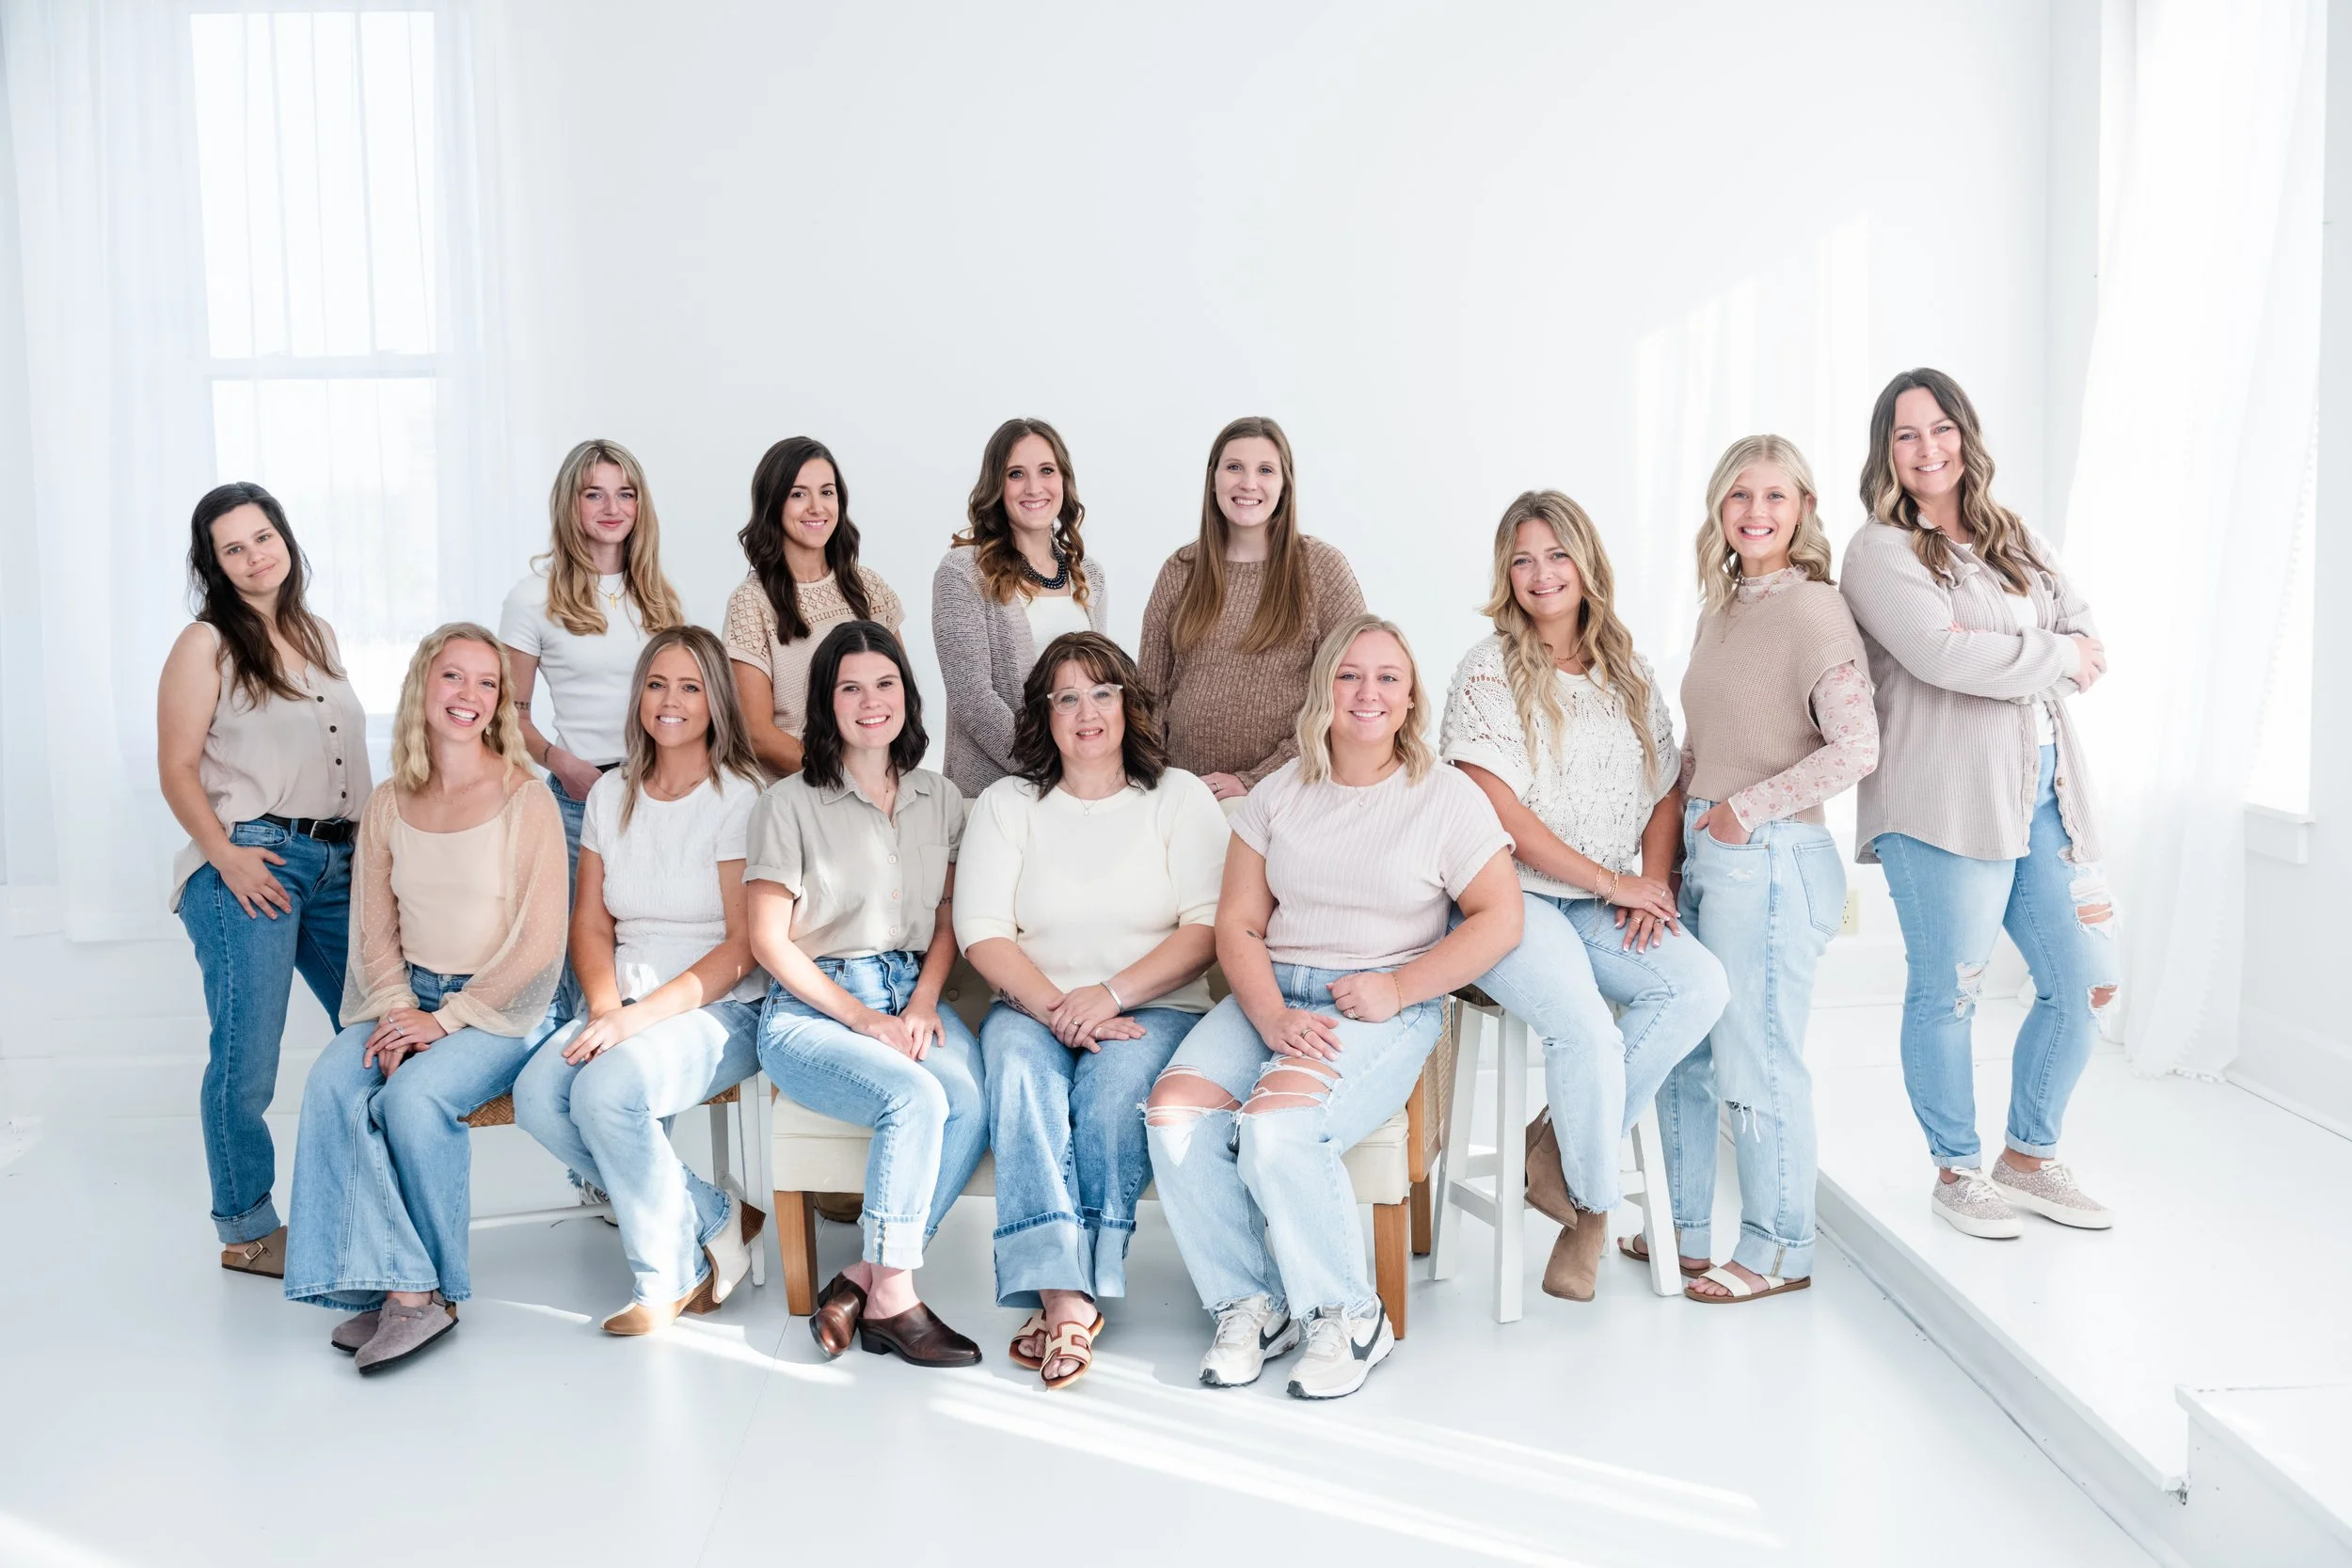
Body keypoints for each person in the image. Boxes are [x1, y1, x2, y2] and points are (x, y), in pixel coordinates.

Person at [1144, 615, 1521, 1399]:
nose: (1368, 692)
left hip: (1382, 1004)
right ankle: (1254, 1301)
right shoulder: (1279, 795)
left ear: (1411, 695)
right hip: (1275, 993)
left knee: (1279, 1129)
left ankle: (1351, 1316)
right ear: (1324, 689)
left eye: (1388, 676)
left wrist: (1400, 987)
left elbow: (1500, 918)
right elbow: (1239, 924)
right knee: (1174, 1114)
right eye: (1350, 674)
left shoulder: (1445, 796)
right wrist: (1273, 1015)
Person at [1841, 368, 2119, 1239]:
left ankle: (2028, 1158)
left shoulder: (2012, 534)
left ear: (1965, 432)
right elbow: (1939, 656)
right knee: (1951, 989)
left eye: (1940, 428)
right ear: (1887, 451)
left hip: (2044, 787)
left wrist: (2031, 646)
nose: (1928, 448)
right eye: (1906, 435)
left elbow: (2090, 636)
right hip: (1942, 798)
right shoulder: (1880, 550)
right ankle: (1956, 1169)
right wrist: (2052, 652)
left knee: (2089, 981)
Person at [1439, 490, 1727, 1303]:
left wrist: (1654, 888)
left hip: (1604, 899)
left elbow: (1667, 788)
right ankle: (1593, 1211)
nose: (1541, 573)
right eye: (1523, 558)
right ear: (1506, 573)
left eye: (1557, 554)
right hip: (1509, 899)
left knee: (1700, 984)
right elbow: (1496, 810)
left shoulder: (1628, 673)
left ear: (1586, 563)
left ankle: (1556, 1144)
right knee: (1588, 1036)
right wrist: (1611, 880)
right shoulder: (1486, 669)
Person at [283, 625, 569, 1372]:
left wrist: (441, 1023)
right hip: (407, 998)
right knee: (333, 1082)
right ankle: (391, 1286)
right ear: (424, 686)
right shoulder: (388, 802)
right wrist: (399, 1013)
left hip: (503, 1009)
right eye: (454, 677)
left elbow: (540, 945)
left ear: (501, 701)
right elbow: (372, 931)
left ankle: (424, 1297)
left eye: (486, 682)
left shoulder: (525, 799)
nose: (469, 696)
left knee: (412, 1101)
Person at [956, 631, 1226, 1388]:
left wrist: (1106, 997)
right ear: (1044, 715)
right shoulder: (1010, 805)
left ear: (1129, 703)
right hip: (1030, 1008)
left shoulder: (1178, 796)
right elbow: (980, 930)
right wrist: (1059, 1009)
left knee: (1112, 1091)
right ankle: (1063, 1293)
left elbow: (1206, 928)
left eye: (1102, 692)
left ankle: (1085, 1274)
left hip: (1153, 1006)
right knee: (1016, 1072)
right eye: (1067, 696)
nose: (1087, 711)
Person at [511, 626, 771, 1335]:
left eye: (690, 686)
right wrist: (606, 1006)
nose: (670, 700)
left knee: (604, 1090)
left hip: (718, 1006)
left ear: (716, 701)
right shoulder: (612, 792)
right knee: (538, 1094)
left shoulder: (738, 797)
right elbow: (591, 924)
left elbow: (743, 947)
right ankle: (715, 1213)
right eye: (657, 683)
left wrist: (639, 1017)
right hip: (623, 1001)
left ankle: (671, 1274)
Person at [1667, 436, 1878, 1305]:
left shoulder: (1816, 610)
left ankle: (1779, 1247)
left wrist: (1740, 812)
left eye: (1775, 497)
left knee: (1758, 1056)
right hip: (1704, 850)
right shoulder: (1720, 609)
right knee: (1689, 1048)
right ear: (1718, 509)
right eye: (1739, 496)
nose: (1755, 512)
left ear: (1803, 510)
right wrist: (1673, 835)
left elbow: (1857, 747)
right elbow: (1703, 742)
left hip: (1773, 857)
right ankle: (1683, 1228)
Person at [746, 621, 985, 1367]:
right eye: (850, 686)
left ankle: (862, 1276)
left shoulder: (939, 797)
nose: (870, 700)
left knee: (971, 1098)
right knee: (915, 1098)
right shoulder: (788, 803)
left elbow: (949, 919)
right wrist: (862, 1018)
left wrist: (918, 1007)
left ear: (907, 699)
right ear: (826, 703)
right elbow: (768, 939)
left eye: (885, 684)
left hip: (908, 993)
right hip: (812, 1011)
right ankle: (894, 1301)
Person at [159, 482, 371, 1279]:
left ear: (285, 536)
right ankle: (247, 1227)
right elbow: (177, 767)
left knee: (380, 1022)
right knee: (248, 1057)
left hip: (338, 861)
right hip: (251, 860)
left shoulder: (317, 633)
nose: (255, 555)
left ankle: (374, 1196)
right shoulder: (205, 644)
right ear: (213, 564)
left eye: (263, 535)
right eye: (233, 547)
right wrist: (224, 852)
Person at [1137, 417, 1366, 803]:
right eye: (1234, 468)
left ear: (1284, 483)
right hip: (1186, 794)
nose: (1248, 484)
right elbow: (1149, 695)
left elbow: (1349, 695)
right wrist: (1162, 781)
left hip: (1288, 792)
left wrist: (1255, 779)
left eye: (1265, 470)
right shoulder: (1181, 569)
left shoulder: (1321, 569)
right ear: (1213, 479)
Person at [500, 438, 686, 883]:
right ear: (571, 503)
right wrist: (562, 764)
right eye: (593, 494)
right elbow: (508, 716)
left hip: (663, 791)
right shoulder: (531, 598)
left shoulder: (660, 596)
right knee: (575, 949)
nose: (612, 507)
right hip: (582, 796)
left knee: (654, 942)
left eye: (625, 493)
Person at [931, 418, 1111, 796]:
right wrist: (1051, 769)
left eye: (1046, 471)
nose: (1034, 488)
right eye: (1016, 474)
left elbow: (1097, 685)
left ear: (1063, 480)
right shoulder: (964, 572)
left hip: (1077, 790)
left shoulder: (1089, 575)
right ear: (996, 484)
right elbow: (972, 697)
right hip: (993, 792)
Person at [724, 436, 905, 781]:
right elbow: (757, 734)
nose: (816, 507)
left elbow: (901, 698)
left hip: (878, 786)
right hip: (797, 793)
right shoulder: (751, 602)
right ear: (772, 504)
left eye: (826, 491)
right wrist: (843, 777)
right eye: (797, 494)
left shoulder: (869, 588)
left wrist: (877, 781)